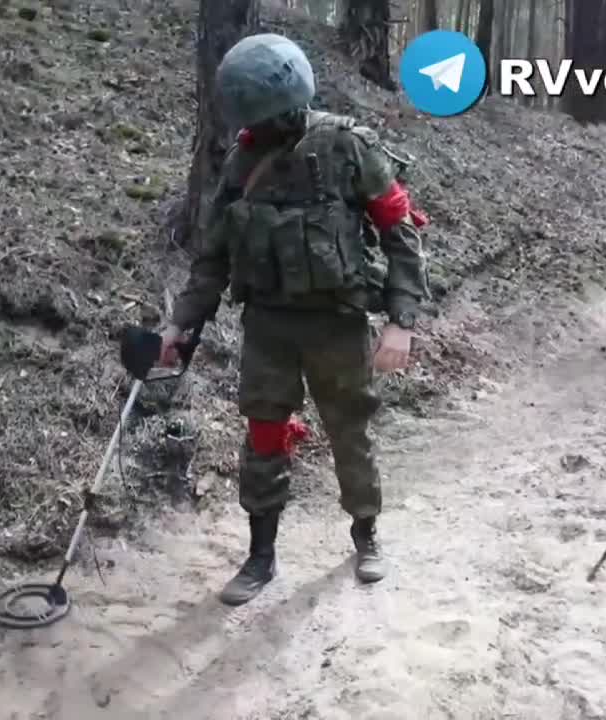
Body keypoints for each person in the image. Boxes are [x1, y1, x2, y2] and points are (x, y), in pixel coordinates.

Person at [157, 33, 428, 606]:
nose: (266, 125)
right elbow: (213, 259)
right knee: (263, 436)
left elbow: (400, 233)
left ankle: (365, 535)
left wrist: (401, 321)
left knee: (349, 431)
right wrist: (180, 325)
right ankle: (260, 556)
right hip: (269, 326)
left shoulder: (347, 146)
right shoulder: (241, 160)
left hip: (338, 322)